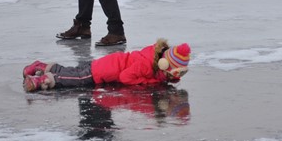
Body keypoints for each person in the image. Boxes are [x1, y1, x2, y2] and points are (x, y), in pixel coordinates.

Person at [22, 39, 191, 92]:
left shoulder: (151, 56)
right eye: (174, 73)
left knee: (73, 71)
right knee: (75, 79)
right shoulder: (146, 66)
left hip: (106, 63)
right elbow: (125, 77)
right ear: (163, 64)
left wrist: (165, 78)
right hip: (104, 71)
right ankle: (42, 80)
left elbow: (157, 73)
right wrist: (150, 82)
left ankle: (39, 66)